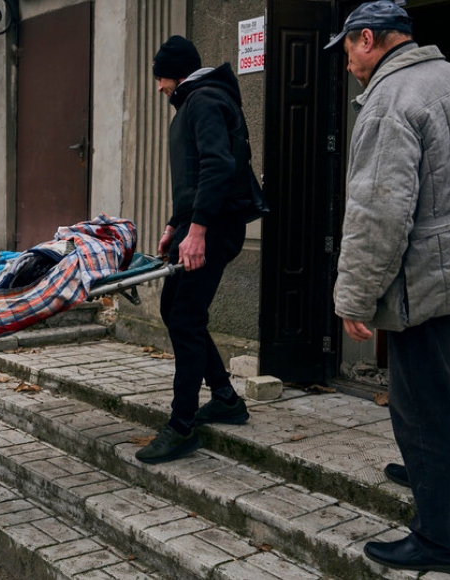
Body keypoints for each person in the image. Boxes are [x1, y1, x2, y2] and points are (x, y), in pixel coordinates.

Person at [327, 1, 450, 574]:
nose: (345, 65)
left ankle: (440, 541)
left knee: (421, 405)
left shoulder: (391, 101)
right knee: (434, 386)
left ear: (368, 39)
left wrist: (354, 298)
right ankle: (424, 468)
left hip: (427, 276)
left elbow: (377, 214)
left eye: (346, 52)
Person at [136, 36, 257, 464]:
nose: (159, 87)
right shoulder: (196, 100)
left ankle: (181, 425)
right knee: (176, 310)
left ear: (178, 73)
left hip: (215, 228)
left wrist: (199, 229)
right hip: (199, 225)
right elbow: (193, 175)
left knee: (185, 317)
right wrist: (176, 223)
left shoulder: (203, 100)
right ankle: (224, 397)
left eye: (161, 77)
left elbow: (218, 165)